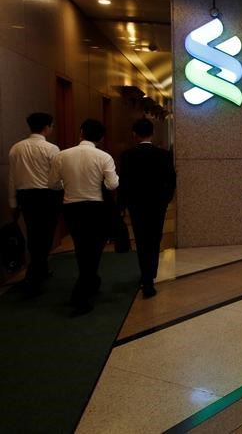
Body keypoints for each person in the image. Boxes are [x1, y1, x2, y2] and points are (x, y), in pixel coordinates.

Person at [49, 119, 118, 314]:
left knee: (81, 246)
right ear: (101, 138)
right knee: (94, 248)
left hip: (71, 208)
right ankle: (82, 292)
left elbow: (53, 184)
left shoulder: (62, 156)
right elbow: (112, 185)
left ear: (81, 133)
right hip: (96, 208)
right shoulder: (104, 157)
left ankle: (91, 281)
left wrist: (71, 186)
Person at [118, 118, 175, 298]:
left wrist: (122, 204)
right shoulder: (164, 155)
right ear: (153, 133)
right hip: (157, 204)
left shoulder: (127, 156)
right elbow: (171, 180)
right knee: (155, 238)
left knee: (141, 240)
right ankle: (150, 274)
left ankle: (146, 277)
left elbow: (124, 183)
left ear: (134, 134)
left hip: (136, 205)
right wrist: (166, 199)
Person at [8, 113, 61, 292]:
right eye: (51, 126)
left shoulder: (16, 148)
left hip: (25, 196)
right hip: (47, 195)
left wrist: (13, 201)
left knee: (33, 232)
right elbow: (56, 177)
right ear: (46, 127)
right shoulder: (52, 149)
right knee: (46, 234)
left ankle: (40, 270)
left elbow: (12, 178)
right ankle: (34, 275)